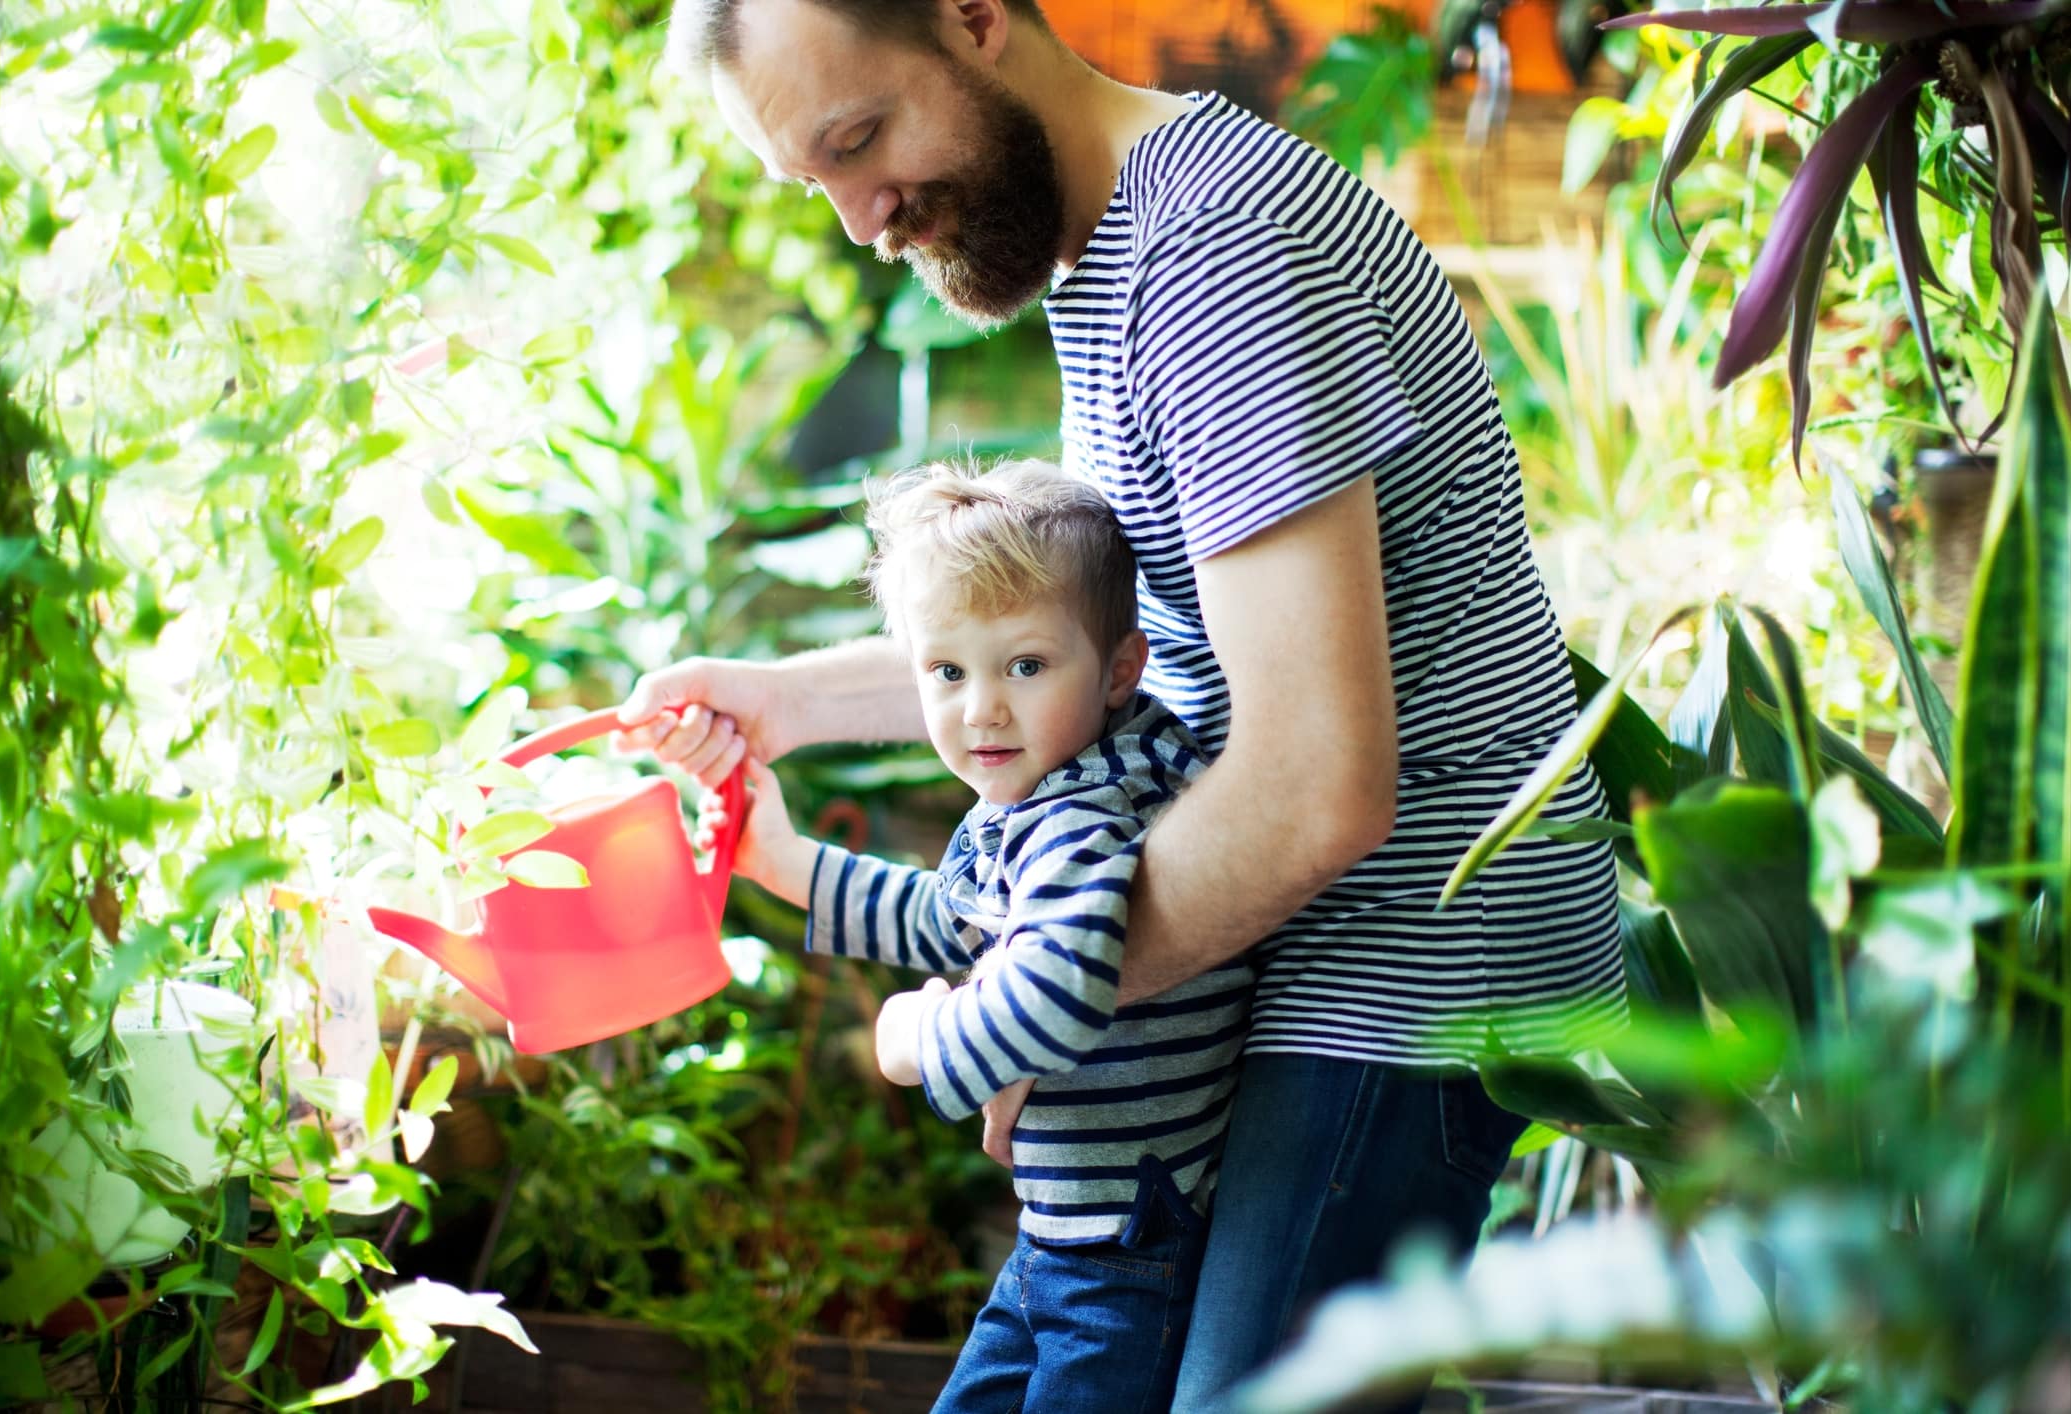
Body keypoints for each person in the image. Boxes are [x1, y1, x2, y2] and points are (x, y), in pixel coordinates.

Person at [628, 2, 1627, 1408]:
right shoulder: (1115, 243)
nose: (863, 220)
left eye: (862, 141)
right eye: (820, 181)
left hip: (1409, 948)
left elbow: (1318, 784)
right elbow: (1111, 641)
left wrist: (1038, 1004)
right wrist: (781, 702)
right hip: (1292, 934)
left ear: (977, 19)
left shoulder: (1208, 258)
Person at [705, 459, 1251, 1412]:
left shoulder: (1084, 818)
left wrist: (919, 1042)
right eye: (945, 671)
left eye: (1025, 666)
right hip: (1067, 1236)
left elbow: (1057, 991)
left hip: (1125, 1250)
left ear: (1121, 667)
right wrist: (783, 862)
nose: (980, 708)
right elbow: (952, 918)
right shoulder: (1044, 795)